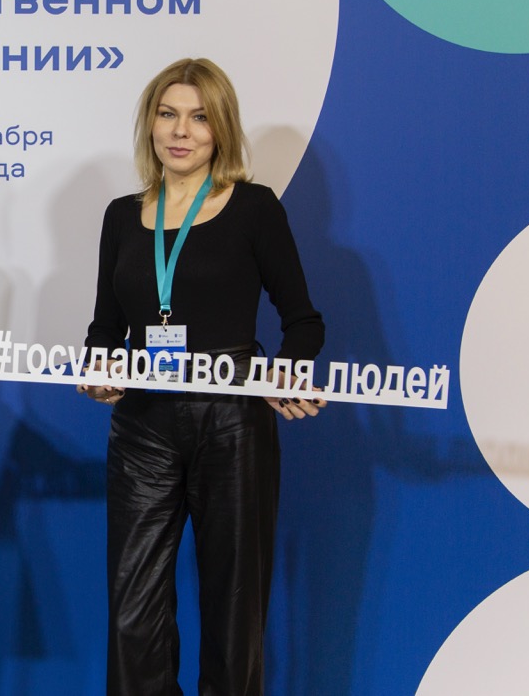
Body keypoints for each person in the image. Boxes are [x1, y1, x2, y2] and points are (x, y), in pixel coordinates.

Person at [79, 57, 325, 696]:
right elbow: (105, 327)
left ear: (221, 129)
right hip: (143, 426)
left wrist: (288, 372)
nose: (180, 131)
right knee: (132, 613)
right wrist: (99, 366)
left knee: (233, 610)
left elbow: (303, 321)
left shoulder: (254, 208)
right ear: (150, 123)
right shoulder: (120, 215)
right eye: (168, 114)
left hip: (231, 424)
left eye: (199, 117)